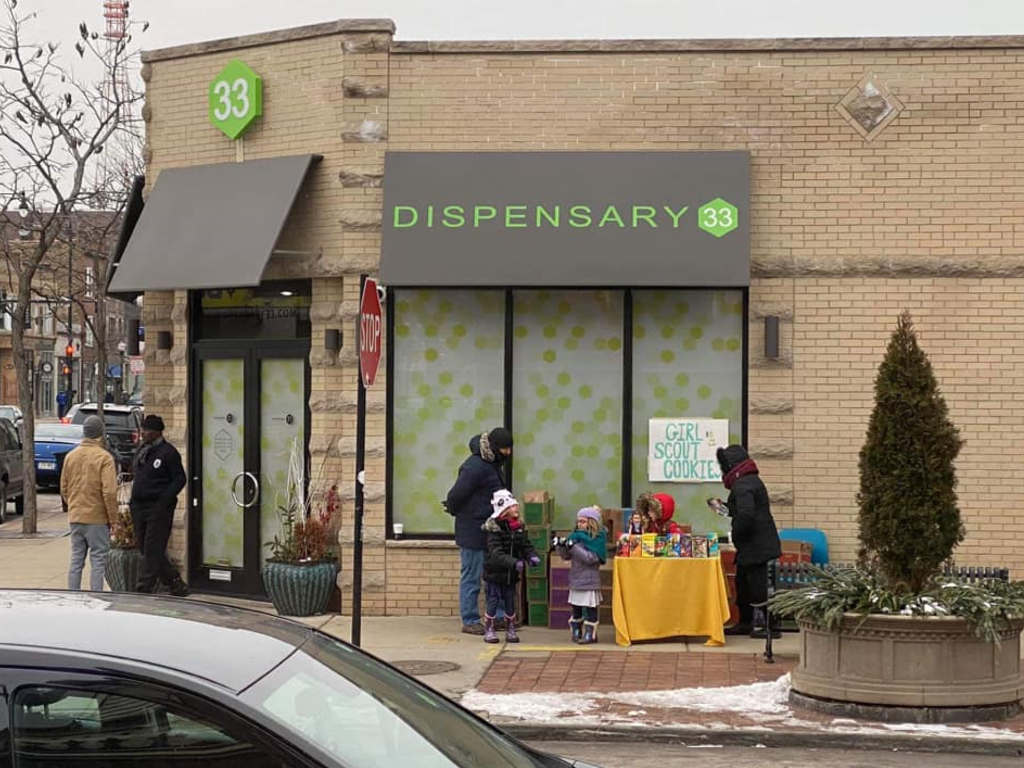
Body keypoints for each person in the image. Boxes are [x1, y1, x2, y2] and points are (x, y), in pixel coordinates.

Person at [446, 427, 513, 635]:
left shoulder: (492, 464)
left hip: (491, 530)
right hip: (473, 530)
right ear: (493, 447)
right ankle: (470, 619)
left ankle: (499, 616)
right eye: (505, 448)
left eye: (509, 448)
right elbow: (456, 495)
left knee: (495, 575)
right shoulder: (476, 466)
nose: (508, 453)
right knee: (472, 576)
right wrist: (458, 510)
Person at [712, 444, 781, 639]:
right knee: (743, 584)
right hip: (754, 544)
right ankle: (745, 623)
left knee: (757, 587)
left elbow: (746, 515)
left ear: (731, 465)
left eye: (723, 466)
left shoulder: (743, 485)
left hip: (756, 545)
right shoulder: (748, 481)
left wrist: (736, 534)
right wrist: (724, 508)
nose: (722, 470)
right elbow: (744, 510)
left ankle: (770, 626)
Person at [130, 414, 189, 596]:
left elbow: (180, 479)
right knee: (144, 546)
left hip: (158, 509)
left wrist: (164, 498)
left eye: (147, 430)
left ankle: (144, 586)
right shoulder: (143, 450)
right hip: (139, 507)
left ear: (156, 432)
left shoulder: (168, 452)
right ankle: (174, 582)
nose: (143, 433)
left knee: (152, 547)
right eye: (143, 429)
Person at [62, 415, 118, 591]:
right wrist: (113, 519)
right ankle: (95, 598)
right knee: (98, 561)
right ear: (100, 434)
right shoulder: (104, 458)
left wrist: (73, 505)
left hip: (76, 516)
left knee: (76, 560)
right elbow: (109, 491)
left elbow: (64, 487)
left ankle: (73, 596)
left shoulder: (70, 457)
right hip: (97, 518)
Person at [481, 489, 539, 644]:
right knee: (493, 600)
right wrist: (514, 562)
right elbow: (496, 553)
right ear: (505, 510)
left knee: (510, 601)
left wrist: (531, 555)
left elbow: (525, 545)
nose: (517, 508)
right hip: (495, 573)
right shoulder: (495, 530)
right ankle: (489, 629)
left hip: (511, 575)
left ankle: (510, 629)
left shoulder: (518, 528)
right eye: (513, 506)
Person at [553, 506, 607, 644]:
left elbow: (591, 559)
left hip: (589, 580)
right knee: (576, 607)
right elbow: (566, 557)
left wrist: (573, 547)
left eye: (583, 521)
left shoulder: (597, 538)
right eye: (578, 521)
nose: (579, 524)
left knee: (590, 608)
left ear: (592, 522)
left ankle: (591, 634)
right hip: (576, 578)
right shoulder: (575, 537)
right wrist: (561, 546)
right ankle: (577, 631)